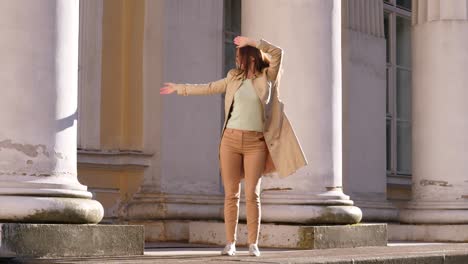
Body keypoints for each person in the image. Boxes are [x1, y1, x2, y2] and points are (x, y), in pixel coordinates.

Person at [160, 36, 308, 257]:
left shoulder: (267, 76)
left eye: (239, 54)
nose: (236, 59)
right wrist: (179, 88)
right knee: (231, 194)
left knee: (252, 194)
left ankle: (252, 243)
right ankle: (230, 243)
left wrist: (254, 41)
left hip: (255, 143)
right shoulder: (233, 77)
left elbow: (278, 53)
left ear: (249, 56)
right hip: (229, 140)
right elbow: (209, 87)